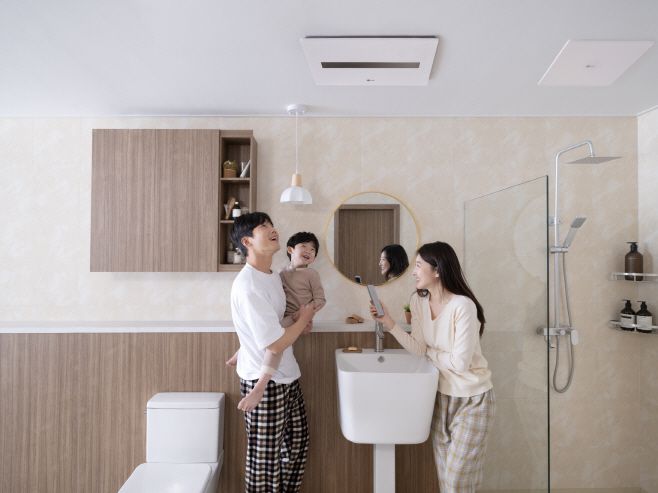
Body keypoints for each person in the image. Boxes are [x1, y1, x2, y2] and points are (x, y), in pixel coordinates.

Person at [370, 241, 494, 493]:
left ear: (437, 270)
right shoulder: (417, 301)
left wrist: (431, 352)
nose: (413, 272)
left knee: (458, 481)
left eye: (418, 266)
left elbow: (460, 363)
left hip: (473, 400)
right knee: (446, 480)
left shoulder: (463, 306)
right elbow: (418, 348)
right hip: (441, 397)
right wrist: (389, 323)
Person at [229, 212, 315, 493]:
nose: (272, 229)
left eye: (271, 224)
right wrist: (303, 319)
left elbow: (269, 325)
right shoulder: (249, 286)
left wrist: (296, 320)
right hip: (263, 382)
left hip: (285, 375)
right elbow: (275, 343)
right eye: (263, 227)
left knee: (297, 443)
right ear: (247, 242)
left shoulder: (271, 276)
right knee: (264, 463)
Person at [228, 231, 326, 411]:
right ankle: (241, 353)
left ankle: (258, 384)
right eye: (304, 246)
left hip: (297, 317)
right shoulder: (278, 274)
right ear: (290, 250)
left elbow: (320, 299)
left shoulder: (312, 274)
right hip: (283, 318)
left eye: (313, 250)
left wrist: (307, 314)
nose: (308, 251)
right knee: (266, 336)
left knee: (274, 344)